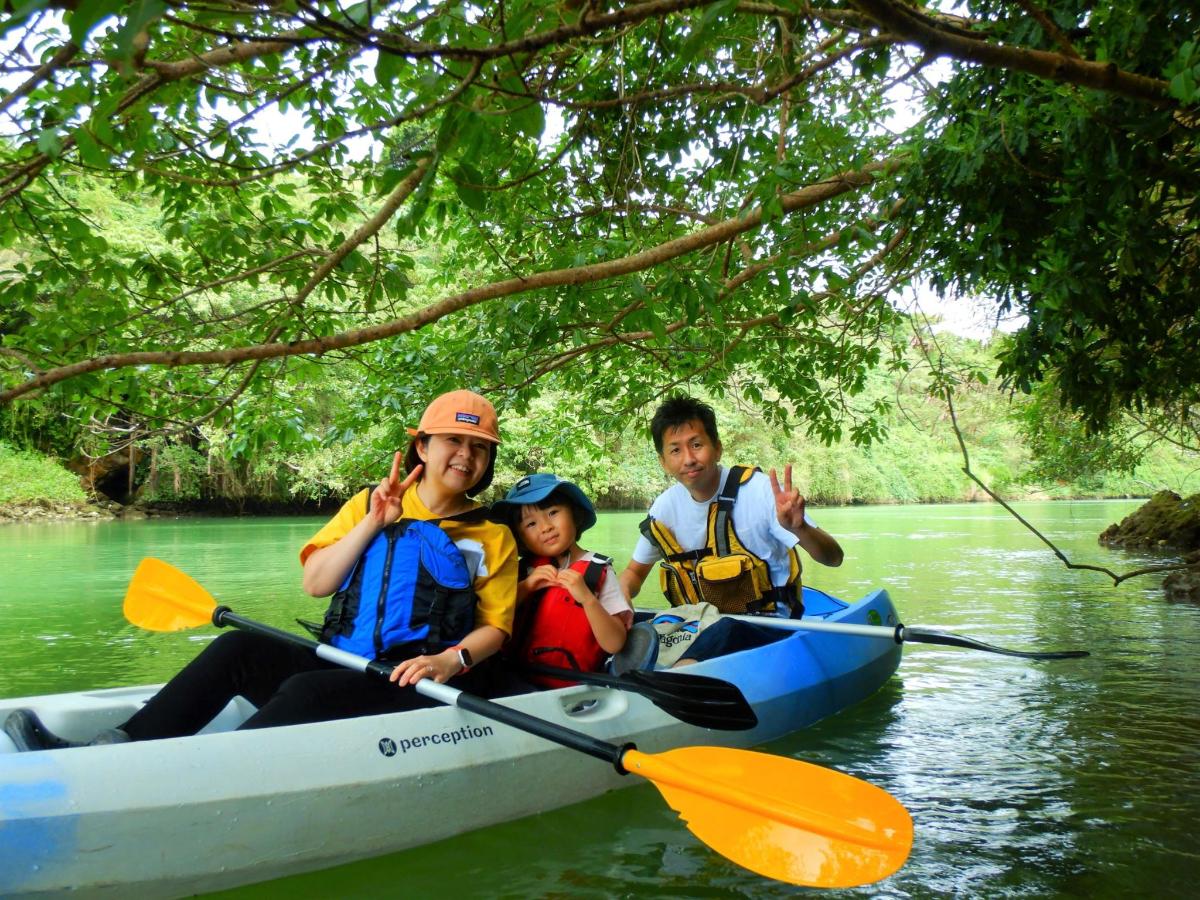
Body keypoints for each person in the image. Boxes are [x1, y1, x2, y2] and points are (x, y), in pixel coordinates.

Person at [3, 390, 518, 751]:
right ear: (422, 448)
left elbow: (495, 628)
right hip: (346, 658)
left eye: (478, 448)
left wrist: (450, 661)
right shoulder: (368, 504)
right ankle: (120, 745)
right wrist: (373, 522)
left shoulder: (492, 537)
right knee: (239, 647)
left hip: (412, 678)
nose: (465, 455)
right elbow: (316, 585)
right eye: (453, 441)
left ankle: (206, 771)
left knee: (305, 692)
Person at [619, 395, 843, 664]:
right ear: (664, 462)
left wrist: (801, 528)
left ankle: (678, 676)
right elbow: (633, 573)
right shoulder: (664, 508)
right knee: (640, 629)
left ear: (717, 448)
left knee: (727, 629)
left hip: (768, 627)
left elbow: (833, 558)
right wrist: (619, 600)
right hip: (697, 625)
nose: (689, 459)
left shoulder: (760, 491)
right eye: (675, 450)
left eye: (697, 445)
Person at [492, 473, 632, 689]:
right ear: (520, 538)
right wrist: (526, 587)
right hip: (515, 680)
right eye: (531, 524)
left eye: (553, 512)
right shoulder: (519, 573)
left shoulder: (598, 570)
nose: (545, 527)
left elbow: (615, 644)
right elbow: (491, 619)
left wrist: (587, 599)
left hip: (573, 691)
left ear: (574, 515)